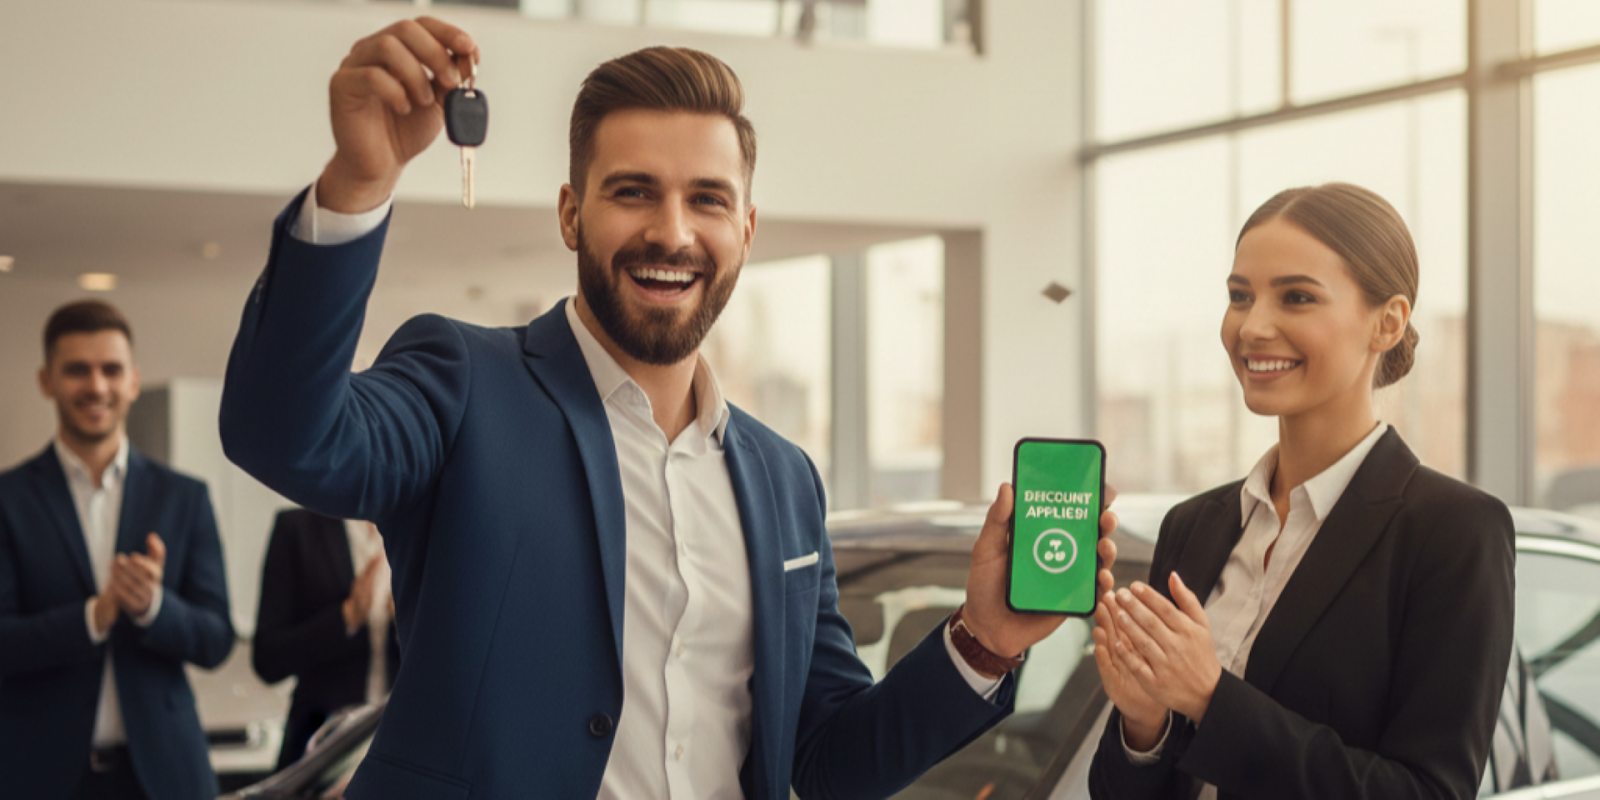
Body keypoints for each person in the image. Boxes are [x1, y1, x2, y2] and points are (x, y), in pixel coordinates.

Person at [218, 16, 1118, 799]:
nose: (673, 232)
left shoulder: (783, 479)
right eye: (633, 191)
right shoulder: (461, 381)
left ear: (746, 232)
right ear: (572, 214)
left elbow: (829, 762)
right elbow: (284, 436)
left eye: (707, 200)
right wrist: (357, 181)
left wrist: (987, 643)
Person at [1087, 183, 1515, 799]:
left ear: (1387, 322)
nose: (1252, 326)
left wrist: (1210, 698)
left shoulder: (1453, 533)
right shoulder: (1194, 525)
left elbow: (1427, 792)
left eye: (1296, 297)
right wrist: (1143, 724)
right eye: (1240, 296)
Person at [0, 300, 234, 800]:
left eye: (111, 370)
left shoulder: (185, 497)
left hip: (164, 777)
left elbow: (216, 640)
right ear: (47, 381)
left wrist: (154, 608)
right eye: (77, 370)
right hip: (40, 776)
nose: (97, 386)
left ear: (133, 380)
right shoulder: (7, 499)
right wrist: (93, 616)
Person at [252, 508, 399, 770]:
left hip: (404, 743)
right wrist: (346, 617)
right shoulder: (297, 528)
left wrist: (406, 624)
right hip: (320, 749)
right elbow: (268, 658)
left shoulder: (421, 530)